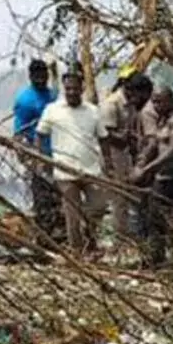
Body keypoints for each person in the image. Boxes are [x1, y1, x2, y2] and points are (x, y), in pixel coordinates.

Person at [37, 70, 107, 252]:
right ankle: (78, 253)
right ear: (64, 89)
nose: (72, 92)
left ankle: (90, 240)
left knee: (99, 206)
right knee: (72, 216)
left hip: (91, 169)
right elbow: (41, 134)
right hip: (65, 171)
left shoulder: (93, 111)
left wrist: (108, 164)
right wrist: (44, 159)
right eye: (68, 89)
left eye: (75, 89)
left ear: (82, 89)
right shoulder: (52, 110)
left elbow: (103, 138)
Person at [132, 87, 173, 266]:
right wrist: (142, 161)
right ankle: (157, 257)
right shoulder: (163, 121)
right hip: (164, 178)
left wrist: (147, 169)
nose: (156, 105)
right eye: (154, 101)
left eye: (160, 101)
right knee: (155, 217)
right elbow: (154, 145)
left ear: (171, 100)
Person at [101, 71, 153, 241]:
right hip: (113, 155)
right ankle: (121, 237)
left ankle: (132, 232)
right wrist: (124, 136)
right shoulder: (111, 104)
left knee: (131, 195)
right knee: (119, 197)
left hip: (126, 154)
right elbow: (105, 134)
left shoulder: (131, 103)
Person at [13, 59, 62, 239]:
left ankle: (59, 232)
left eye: (44, 75)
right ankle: (45, 235)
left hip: (57, 153)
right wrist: (30, 159)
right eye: (37, 76)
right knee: (42, 195)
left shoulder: (51, 95)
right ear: (31, 76)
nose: (41, 79)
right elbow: (19, 134)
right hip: (38, 155)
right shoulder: (25, 100)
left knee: (58, 194)